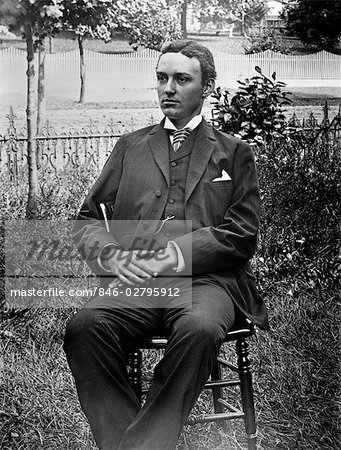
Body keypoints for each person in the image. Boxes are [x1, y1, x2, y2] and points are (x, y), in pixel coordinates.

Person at [63, 40, 269, 450]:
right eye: (161, 79)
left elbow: (242, 233)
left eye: (181, 79)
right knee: (84, 327)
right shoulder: (131, 147)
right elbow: (86, 220)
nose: (168, 89)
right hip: (137, 283)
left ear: (207, 86)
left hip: (207, 283)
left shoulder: (233, 152)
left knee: (199, 329)